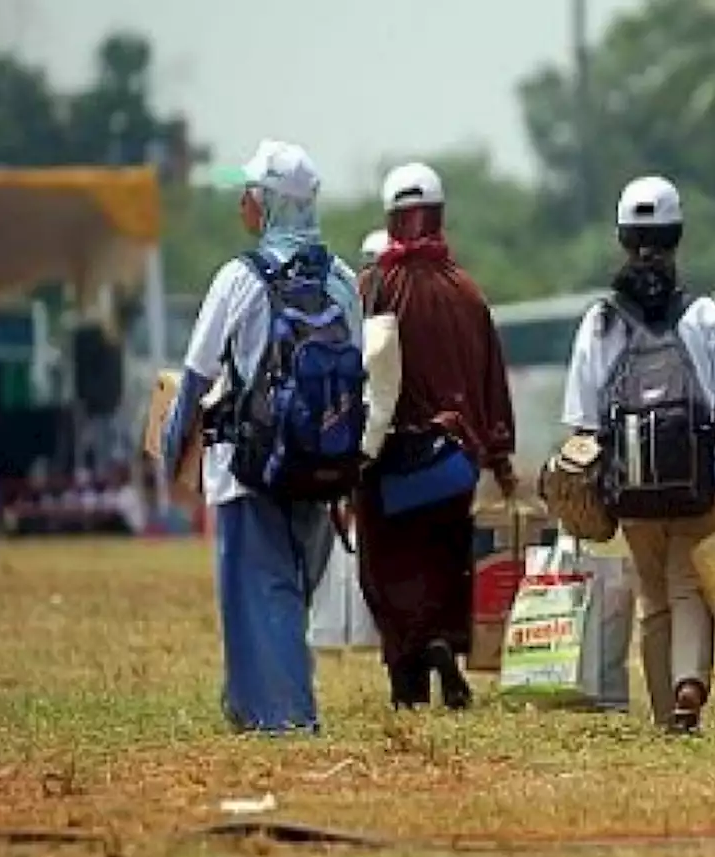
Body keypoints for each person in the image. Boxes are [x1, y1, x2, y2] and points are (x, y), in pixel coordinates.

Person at [162, 139, 363, 734]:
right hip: (323, 461)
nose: (244, 203)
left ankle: (285, 718)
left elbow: (195, 378)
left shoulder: (238, 279)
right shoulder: (345, 281)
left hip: (250, 465)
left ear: (269, 204)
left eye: (251, 193)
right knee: (287, 594)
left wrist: (172, 453)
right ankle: (252, 705)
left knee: (259, 594)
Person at [562, 175, 715, 733]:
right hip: (703, 487)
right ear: (677, 237)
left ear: (622, 239)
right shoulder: (704, 316)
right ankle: (688, 688)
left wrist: (581, 498)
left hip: (632, 490)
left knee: (654, 597)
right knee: (691, 586)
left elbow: (582, 425)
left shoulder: (599, 322)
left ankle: (666, 711)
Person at [355, 161, 517, 711]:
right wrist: (499, 455)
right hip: (453, 465)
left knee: (389, 571)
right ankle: (443, 641)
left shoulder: (373, 286)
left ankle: (411, 673)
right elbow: (492, 377)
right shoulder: (468, 293)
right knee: (444, 564)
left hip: (389, 465)